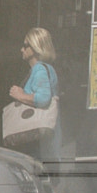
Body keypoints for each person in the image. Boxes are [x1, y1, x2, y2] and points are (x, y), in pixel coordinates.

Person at [6, 27, 61, 161]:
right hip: (43, 143)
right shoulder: (46, 68)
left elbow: (43, 99)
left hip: (36, 144)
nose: (22, 49)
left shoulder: (39, 69)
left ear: (35, 48)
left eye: (25, 46)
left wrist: (20, 95)